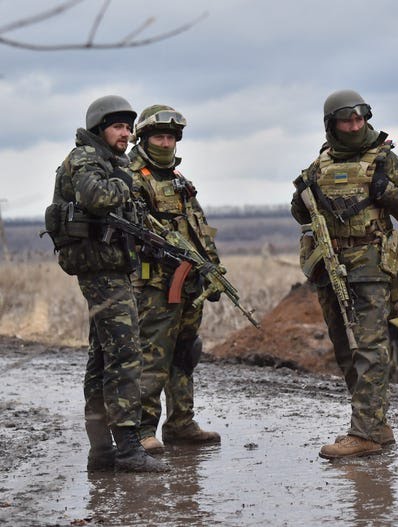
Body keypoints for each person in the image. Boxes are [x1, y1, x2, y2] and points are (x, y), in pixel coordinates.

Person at [291, 89, 398, 459]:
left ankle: (364, 433)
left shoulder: (385, 160)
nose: (354, 127)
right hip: (331, 266)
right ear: (332, 125)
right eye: (346, 122)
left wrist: (387, 192)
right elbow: (303, 215)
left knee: (370, 347)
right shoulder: (320, 164)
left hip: (371, 265)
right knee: (345, 348)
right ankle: (376, 425)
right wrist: (300, 199)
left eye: (359, 119)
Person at [47, 95, 168, 472]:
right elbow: (96, 197)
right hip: (100, 271)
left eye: (129, 128)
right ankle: (128, 447)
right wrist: (127, 181)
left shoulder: (109, 162)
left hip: (111, 270)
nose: (126, 134)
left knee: (102, 358)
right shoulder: (86, 159)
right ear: (101, 127)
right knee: (126, 355)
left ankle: (101, 451)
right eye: (118, 127)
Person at [128, 104, 222, 453]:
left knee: (185, 353)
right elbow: (133, 232)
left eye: (170, 137)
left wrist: (212, 267)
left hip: (189, 282)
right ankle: (142, 430)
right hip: (154, 284)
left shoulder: (180, 182)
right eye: (158, 137)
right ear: (144, 138)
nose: (165, 143)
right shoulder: (133, 178)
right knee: (154, 354)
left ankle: (181, 423)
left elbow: (199, 229)